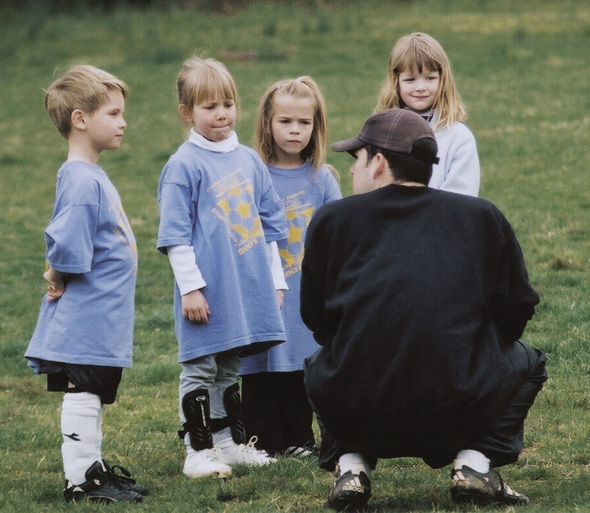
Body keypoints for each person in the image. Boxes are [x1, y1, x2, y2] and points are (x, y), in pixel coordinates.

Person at [300, 108, 547, 510]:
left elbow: (316, 317)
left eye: (356, 159)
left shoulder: (331, 219)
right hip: (460, 398)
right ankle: (474, 463)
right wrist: (474, 349)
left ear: (378, 162)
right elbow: (517, 307)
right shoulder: (481, 216)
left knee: (319, 364)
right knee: (529, 361)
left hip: (357, 402)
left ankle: (350, 469)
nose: (350, 171)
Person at [156, 57, 288, 479]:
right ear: (187, 113)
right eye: (209, 106)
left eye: (228, 104)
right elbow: (175, 236)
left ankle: (227, 443)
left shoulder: (249, 160)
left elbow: (268, 228)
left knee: (230, 365)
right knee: (201, 365)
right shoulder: (184, 165)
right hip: (206, 290)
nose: (221, 114)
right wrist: (191, 289)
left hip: (244, 287)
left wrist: (275, 280)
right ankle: (197, 451)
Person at [24, 65, 148, 503]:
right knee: (82, 389)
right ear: (81, 119)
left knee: (92, 389)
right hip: (87, 314)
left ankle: (93, 469)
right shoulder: (79, 178)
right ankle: (80, 480)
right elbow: (69, 246)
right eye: (113, 113)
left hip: (102, 312)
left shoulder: (89, 174)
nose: (123, 122)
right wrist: (56, 274)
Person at [239, 77, 342, 457]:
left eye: (304, 122)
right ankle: (260, 439)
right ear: (267, 122)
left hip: (305, 290)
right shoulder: (252, 173)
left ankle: (299, 439)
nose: (295, 130)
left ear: (316, 126)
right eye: (285, 121)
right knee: (262, 363)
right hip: (263, 289)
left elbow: (337, 234)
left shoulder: (322, 178)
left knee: (300, 362)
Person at [376, 32, 480, 196]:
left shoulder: (459, 137)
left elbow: (462, 200)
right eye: (410, 80)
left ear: (442, 80)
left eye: (430, 78)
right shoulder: (381, 133)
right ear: (396, 81)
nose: (420, 87)